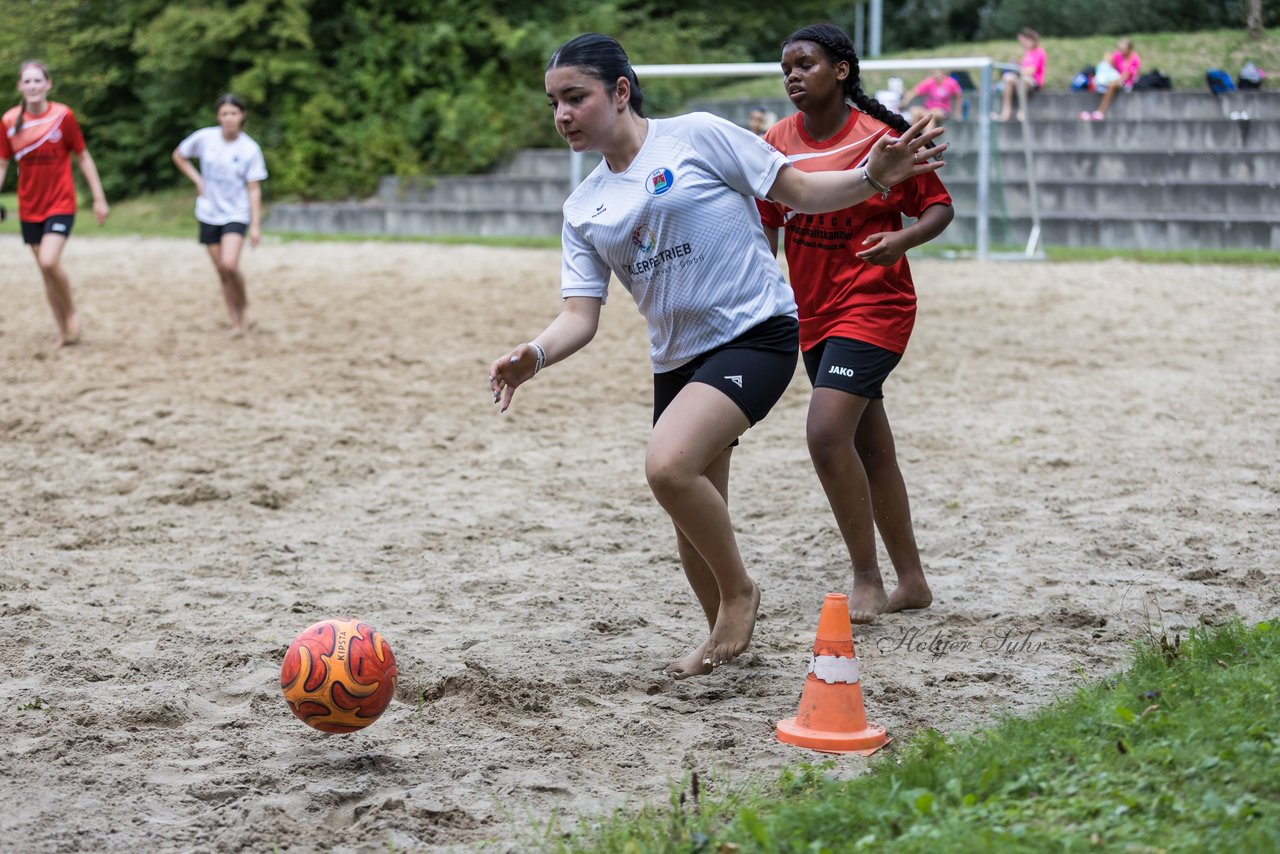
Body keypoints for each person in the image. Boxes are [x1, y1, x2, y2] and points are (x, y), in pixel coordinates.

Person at [488, 33, 945, 678]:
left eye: (574, 97)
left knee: (668, 467)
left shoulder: (697, 134)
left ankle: (741, 594)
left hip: (754, 334)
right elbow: (579, 317)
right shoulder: (582, 206)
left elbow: (799, 192)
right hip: (675, 360)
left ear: (620, 92)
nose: (562, 114)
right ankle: (724, 643)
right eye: (553, 103)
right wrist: (533, 355)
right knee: (693, 512)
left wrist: (873, 176)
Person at [758, 23, 950, 624]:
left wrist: (904, 239)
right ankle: (912, 581)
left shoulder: (883, 138)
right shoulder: (774, 141)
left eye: (806, 63)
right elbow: (768, 224)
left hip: (875, 304)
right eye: (786, 65)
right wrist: (767, 285)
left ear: (842, 70)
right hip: (811, 312)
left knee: (824, 434)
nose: (792, 75)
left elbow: (939, 206)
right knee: (872, 447)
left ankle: (866, 577)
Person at [0, 60, 109, 348]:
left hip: (60, 202)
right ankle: (63, 330)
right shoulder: (9, 122)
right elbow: (2, 163)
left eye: (38, 80)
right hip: (29, 206)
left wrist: (99, 198)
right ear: (20, 87)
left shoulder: (63, 116)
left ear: (48, 84)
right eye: (27, 81)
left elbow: (83, 157)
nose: (33, 86)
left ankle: (71, 313)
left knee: (49, 261)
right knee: (45, 271)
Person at [172, 94, 268, 336]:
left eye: (233, 113)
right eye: (224, 114)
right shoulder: (205, 138)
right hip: (208, 212)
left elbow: (254, 189)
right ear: (218, 116)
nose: (228, 118)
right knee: (222, 272)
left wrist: (256, 225)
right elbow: (179, 155)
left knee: (229, 264)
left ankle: (244, 306)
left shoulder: (249, 149)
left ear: (242, 116)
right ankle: (235, 321)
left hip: (236, 213)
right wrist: (197, 180)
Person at [993, 27, 1046, 122]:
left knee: (1022, 81)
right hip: (1023, 79)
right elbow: (1024, 68)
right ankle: (1005, 113)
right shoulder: (1028, 53)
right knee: (1008, 80)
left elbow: (1031, 70)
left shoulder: (1039, 52)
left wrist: (1016, 70)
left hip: (1033, 82)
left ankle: (1022, 111)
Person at [1081, 38, 1141, 121]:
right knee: (1102, 69)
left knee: (1112, 85)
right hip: (1115, 78)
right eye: (1120, 48)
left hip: (1127, 83)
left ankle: (1101, 112)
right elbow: (1108, 60)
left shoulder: (1134, 59)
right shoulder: (1118, 55)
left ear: (1129, 49)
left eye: (1123, 49)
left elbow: (1125, 77)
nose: (1121, 51)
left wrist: (1110, 82)